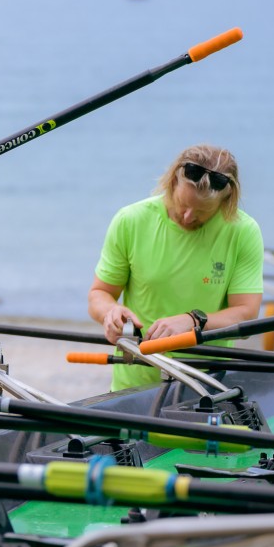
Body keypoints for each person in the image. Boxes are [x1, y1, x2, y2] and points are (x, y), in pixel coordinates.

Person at [87, 145, 264, 391]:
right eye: (182, 205)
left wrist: (193, 321)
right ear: (172, 182)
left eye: (203, 212)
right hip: (135, 382)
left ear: (226, 200)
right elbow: (99, 295)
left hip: (208, 384)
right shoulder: (130, 220)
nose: (189, 217)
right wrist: (111, 313)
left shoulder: (244, 231)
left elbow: (246, 315)